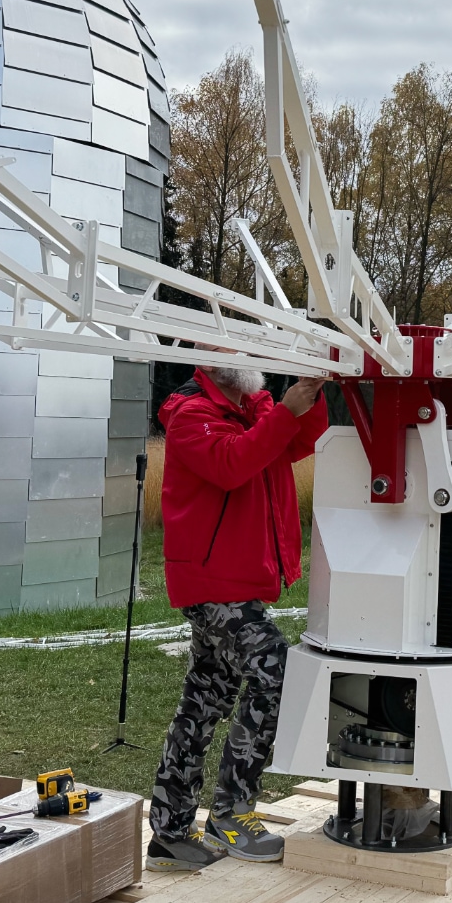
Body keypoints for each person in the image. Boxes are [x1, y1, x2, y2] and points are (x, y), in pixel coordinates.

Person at [146, 365, 329, 871]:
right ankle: (230, 810)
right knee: (276, 673)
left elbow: (298, 442)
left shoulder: (255, 409)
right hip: (214, 584)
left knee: (204, 701)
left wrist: (312, 399)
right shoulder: (191, 415)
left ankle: (169, 832)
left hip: (237, 582)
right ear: (219, 366)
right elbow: (231, 464)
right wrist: (286, 412)